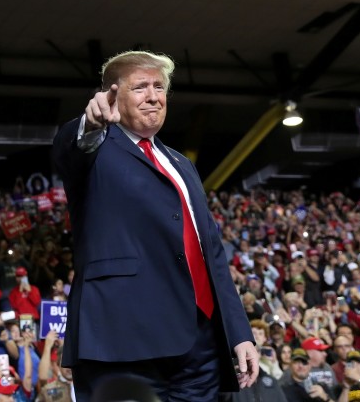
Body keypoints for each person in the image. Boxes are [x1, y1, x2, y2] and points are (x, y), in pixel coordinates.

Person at [51, 50, 258, 401]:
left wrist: (239, 333)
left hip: (199, 341)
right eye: (140, 87)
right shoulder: (96, 147)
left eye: (159, 87)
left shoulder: (181, 163)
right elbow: (70, 148)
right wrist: (91, 124)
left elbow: (211, 254)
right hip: (124, 336)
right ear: (112, 96)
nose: (153, 96)